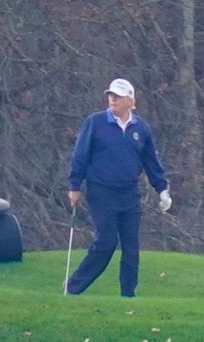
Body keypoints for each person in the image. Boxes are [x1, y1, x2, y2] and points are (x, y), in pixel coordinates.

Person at [66, 78, 172, 298]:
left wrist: (162, 188)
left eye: (118, 96)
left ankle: (127, 295)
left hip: (129, 193)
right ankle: (73, 288)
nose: (112, 98)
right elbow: (80, 155)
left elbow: (151, 161)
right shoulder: (95, 122)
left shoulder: (140, 127)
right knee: (106, 242)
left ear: (130, 100)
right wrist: (75, 186)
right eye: (111, 95)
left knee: (131, 247)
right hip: (101, 191)